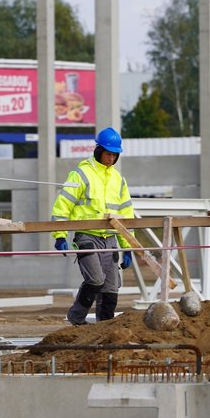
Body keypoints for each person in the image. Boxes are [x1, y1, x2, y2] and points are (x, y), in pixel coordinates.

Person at [51, 127, 135, 325]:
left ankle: (105, 328)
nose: (111, 158)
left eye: (115, 155)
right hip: (87, 236)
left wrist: (128, 246)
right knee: (96, 279)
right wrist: (60, 235)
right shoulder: (81, 174)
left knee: (111, 287)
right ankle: (76, 317)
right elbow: (63, 204)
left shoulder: (118, 180)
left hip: (110, 238)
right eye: (108, 153)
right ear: (98, 151)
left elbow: (126, 215)